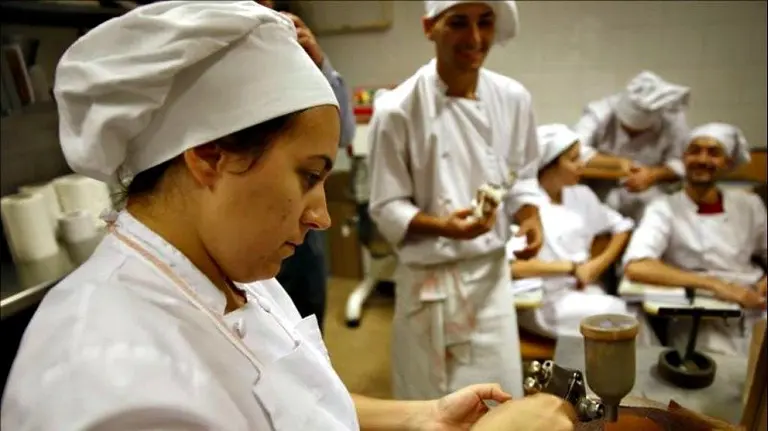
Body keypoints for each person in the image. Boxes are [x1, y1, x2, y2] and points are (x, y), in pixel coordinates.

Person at [0, 2, 578, 430]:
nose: (322, 216)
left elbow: (295, 398)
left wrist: (422, 416)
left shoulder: (234, 273)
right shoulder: (113, 391)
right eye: (309, 176)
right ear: (209, 156)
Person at [368, 0, 545, 401]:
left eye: (485, 23)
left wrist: (530, 215)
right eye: (459, 23)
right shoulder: (396, 110)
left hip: (490, 281)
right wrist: (447, 227)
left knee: (498, 400)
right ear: (429, 27)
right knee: (430, 405)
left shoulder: (513, 98)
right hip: (429, 285)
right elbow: (386, 205)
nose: (476, 38)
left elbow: (522, 175)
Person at [623, 123, 767, 356]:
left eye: (713, 152)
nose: (703, 159)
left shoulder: (749, 205)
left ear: (727, 163)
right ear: (684, 158)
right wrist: (715, 285)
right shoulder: (664, 208)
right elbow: (637, 266)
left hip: (756, 307)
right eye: (695, 151)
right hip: (700, 313)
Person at [257, 0, 357, 332]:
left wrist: (319, 64)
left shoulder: (296, 48)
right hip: (253, 221)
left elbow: (344, 132)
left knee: (305, 321)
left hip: (297, 239)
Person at [512, 124, 634, 339]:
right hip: (542, 300)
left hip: (580, 291)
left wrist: (596, 265)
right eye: (573, 159)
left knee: (627, 315)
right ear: (549, 164)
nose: (582, 165)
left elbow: (622, 227)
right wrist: (571, 268)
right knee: (619, 315)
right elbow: (515, 267)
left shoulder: (581, 195)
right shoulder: (526, 207)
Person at [574, 71, 691, 221]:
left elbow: (681, 161)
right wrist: (619, 165)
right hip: (597, 189)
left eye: (640, 131)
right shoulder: (599, 112)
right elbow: (574, 150)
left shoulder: (673, 120)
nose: (632, 133)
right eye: (626, 128)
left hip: (649, 192)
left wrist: (653, 174)